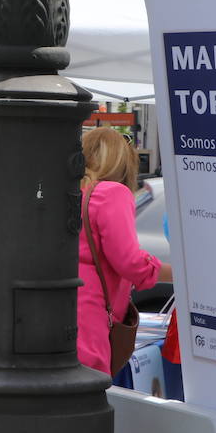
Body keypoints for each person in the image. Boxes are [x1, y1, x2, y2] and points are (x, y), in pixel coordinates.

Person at [77, 126, 171, 375]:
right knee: (89, 393)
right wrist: (182, 275)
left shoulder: (72, 192)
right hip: (90, 317)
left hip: (60, 310)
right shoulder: (112, 192)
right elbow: (130, 261)